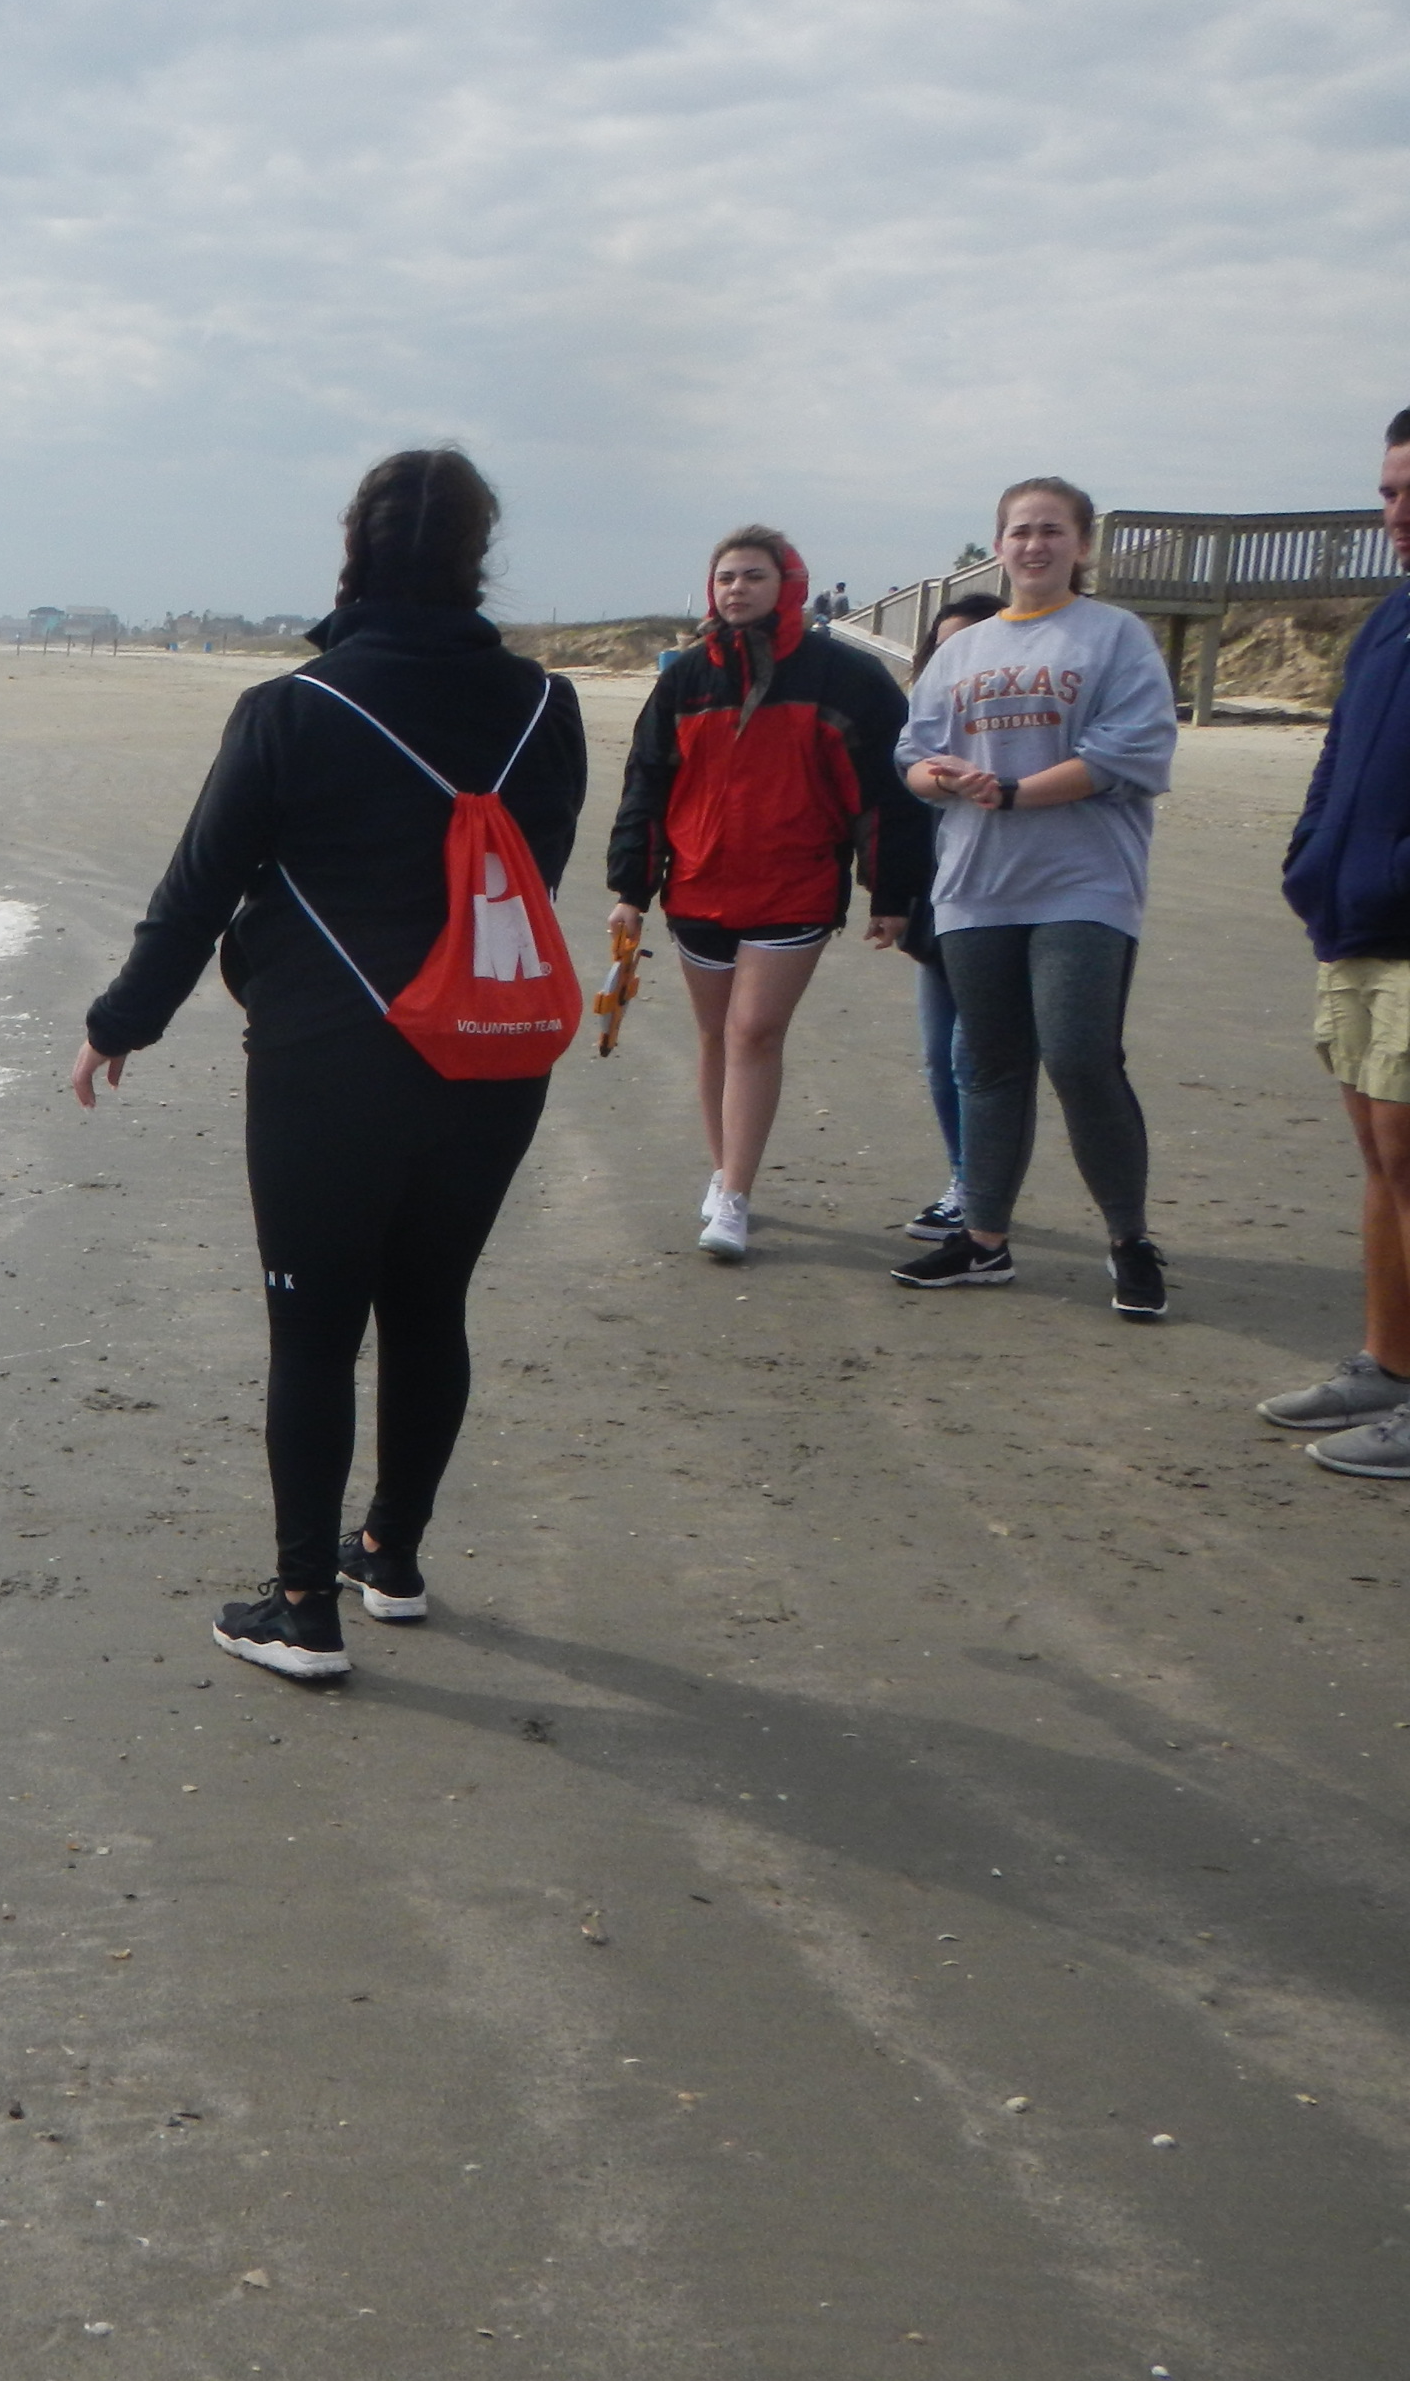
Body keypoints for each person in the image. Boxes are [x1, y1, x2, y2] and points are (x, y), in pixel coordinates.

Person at [69, 448, 585, 1681]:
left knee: (313, 1330)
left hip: (332, 1057)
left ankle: (304, 1608)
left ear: (354, 549)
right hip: (492, 1050)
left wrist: (118, 1024)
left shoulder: (293, 708)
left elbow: (196, 893)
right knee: (429, 1305)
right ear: (478, 556)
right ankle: (389, 1557)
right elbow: (534, 872)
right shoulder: (547, 707)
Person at [893, 477, 1177, 1313]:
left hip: (1083, 883)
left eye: (1053, 531)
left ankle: (1130, 1239)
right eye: (1019, 532)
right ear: (1000, 544)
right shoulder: (960, 651)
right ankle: (984, 1240)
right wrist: (939, 775)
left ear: (1082, 546)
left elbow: (1129, 753)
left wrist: (1014, 793)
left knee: (1082, 1058)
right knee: (988, 1063)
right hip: (977, 887)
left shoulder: (1115, 637)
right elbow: (913, 755)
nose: (1035, 545)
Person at [604, 528, 921, 1261]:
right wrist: (632, 889)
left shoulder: (844, 677)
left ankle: (736, 1198)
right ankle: (723, 1176)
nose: (737, 589)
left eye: (752, 575)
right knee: (715, 1036)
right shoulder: (684, 679)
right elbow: (647, 784)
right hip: (698, 887)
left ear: (788, 584)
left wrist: (889, 891)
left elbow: (881, 795)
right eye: (725, 578)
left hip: (795, 886)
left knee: (754, 1033)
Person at [1259, 407, 1410, 1474]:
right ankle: (1387, 1362)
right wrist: (1311, 856)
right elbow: (1338, 754)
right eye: (1388, 494)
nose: (1394, 514)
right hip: (1352, 919)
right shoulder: (1388, 620)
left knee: (1408, 1149)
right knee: (1376, 1151)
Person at [897, 592, 1010, 1232]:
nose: (953, 654)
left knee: (976, 1057)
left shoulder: (1015, 724)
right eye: (942, 644)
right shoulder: (922, 726)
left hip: (1010, 904)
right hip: (940, 908)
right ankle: (966, 1179)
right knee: (941, 1057)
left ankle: (980, 1194)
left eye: (969, 640)